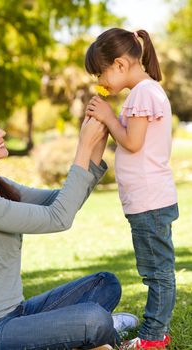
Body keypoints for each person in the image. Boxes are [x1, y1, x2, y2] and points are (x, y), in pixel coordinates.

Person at [0, 103, 138, 350]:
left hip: (16, 313)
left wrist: (94, 146)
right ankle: (99, 334)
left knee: (105, 283)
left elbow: (62, 200)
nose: (2, 132)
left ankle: (85, 335)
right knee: (94, 318)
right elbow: (58, 217)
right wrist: (82, 147)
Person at [85, 28, 179, 350]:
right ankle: (157, 332)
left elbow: (132, 142)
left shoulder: (142, 93)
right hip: (146, 201)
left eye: (101, 72)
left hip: (149, 201)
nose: (101, 79)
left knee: (157, 273)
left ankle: (154, 338)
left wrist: (110, 117)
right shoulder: (144, 93)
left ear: (121, 65)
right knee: (155, 270)